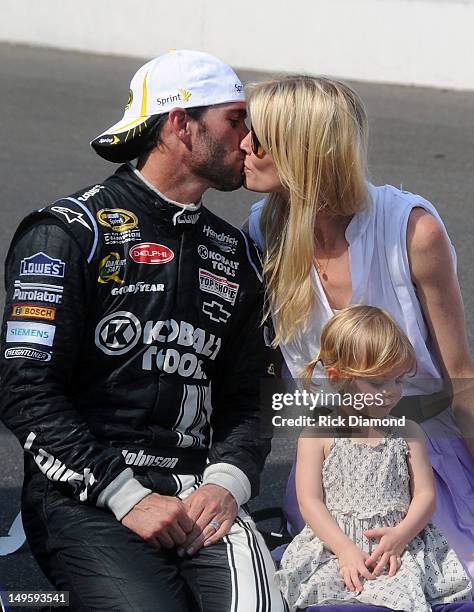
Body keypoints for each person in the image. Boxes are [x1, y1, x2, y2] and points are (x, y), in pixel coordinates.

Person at [0, 50, 285, 612]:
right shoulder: (67, 232)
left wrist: (227, 481)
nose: (251, 139)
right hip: (89, 496)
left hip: (202, 491)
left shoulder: (238, 254)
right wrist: (125, 495)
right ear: (181, 123)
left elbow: (253, 398)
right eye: (236, 119)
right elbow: (25, 388)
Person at [244, 75, 474, 602]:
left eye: (259, 136)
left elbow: (459, 374)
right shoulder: (263, 228)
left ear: (302, 149)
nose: (243, 146)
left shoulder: (411, 230)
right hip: (327, 477)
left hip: (423, 468)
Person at [275, 305, 472, 611]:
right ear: (337, 376)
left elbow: (425, 495)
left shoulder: (408, 432)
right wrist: (343, 549)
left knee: (402, 595)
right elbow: (310, 502)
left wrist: (401, 535)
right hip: (335, 545)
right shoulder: (319, 435)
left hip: (395, 547)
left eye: (398, 381)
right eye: (379, 383)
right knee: (323, 594)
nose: (392, 392)